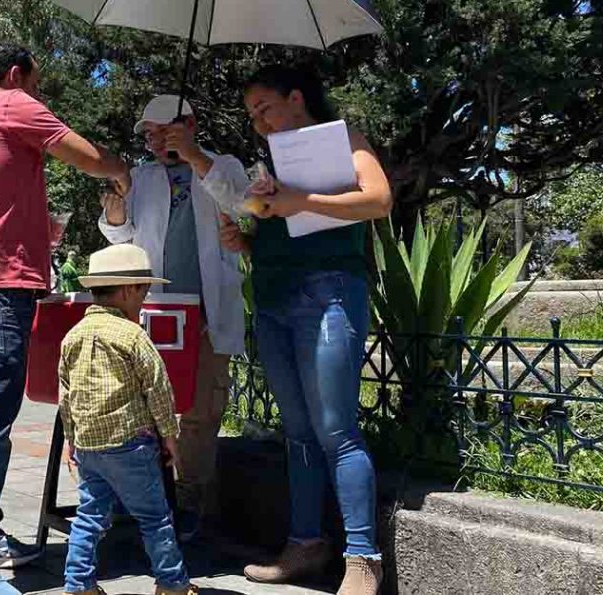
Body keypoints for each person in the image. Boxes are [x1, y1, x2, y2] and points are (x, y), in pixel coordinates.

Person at [0, 43, 131, 595]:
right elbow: (85, 156)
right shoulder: (10, 103)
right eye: (37, 85)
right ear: (16, 74)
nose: (39, 97)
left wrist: (33, 227)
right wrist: (120, 171)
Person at [220, 65, 393, 595]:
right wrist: (246, 239)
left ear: (296, 98)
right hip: (273, 301)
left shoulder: (345, 139)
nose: (258, 121)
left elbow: (379, 200)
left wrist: (302, 201)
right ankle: (304, 545)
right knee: (296, 432)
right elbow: (283, 229)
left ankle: (363, 559)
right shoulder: (272, 161)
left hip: (329, 293)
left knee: (336, 430)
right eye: (251, 114)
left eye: (264, 107)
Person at [98, 94, 247, 540]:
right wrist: (116, 205)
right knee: (141, 409)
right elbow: (119, 237)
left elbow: (240, 204)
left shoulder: (224, 166)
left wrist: (195, 157)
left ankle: (192, 505)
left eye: (165, 130)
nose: (155, 139)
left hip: (205, 314)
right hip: (151, 315)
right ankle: (139, 501)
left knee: (200, 412)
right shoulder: (140, 177)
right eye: (149, 132)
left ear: (190, 124)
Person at [59, 243, 199, 595]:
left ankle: (78, 586)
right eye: (144, 291)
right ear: (127, 290)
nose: (144, 299)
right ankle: (172, 584)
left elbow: (66, 394)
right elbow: (158, 388)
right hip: (130, 445)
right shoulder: (133, 335)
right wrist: (170, 437)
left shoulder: (72, 336)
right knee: (155, 518)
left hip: (89, 447)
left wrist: (71, 440)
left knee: (89, 517)